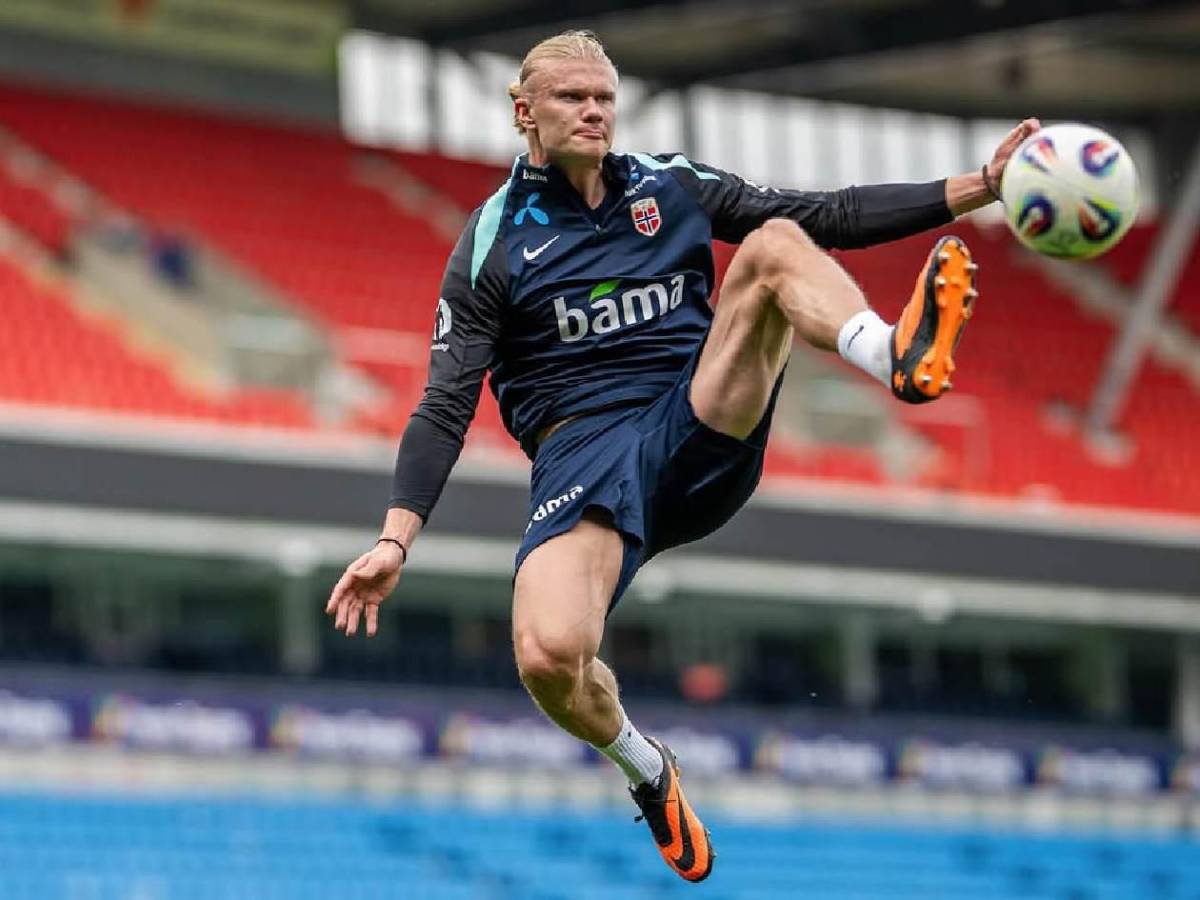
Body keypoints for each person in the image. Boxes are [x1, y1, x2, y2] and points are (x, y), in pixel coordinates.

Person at [326, 30, 1039, 883]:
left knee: (774, 243)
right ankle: (648, 769)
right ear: (524, 112)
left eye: (603, 97)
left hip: (696, 418)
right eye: (570, 98)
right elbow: (446, 402)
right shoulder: (491, 242)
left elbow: (830, 216)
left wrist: (981, 189)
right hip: (583, 462)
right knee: (549, 657)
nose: (593, 111)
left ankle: (895, 356)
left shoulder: (672, 185)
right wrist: (396, 538)